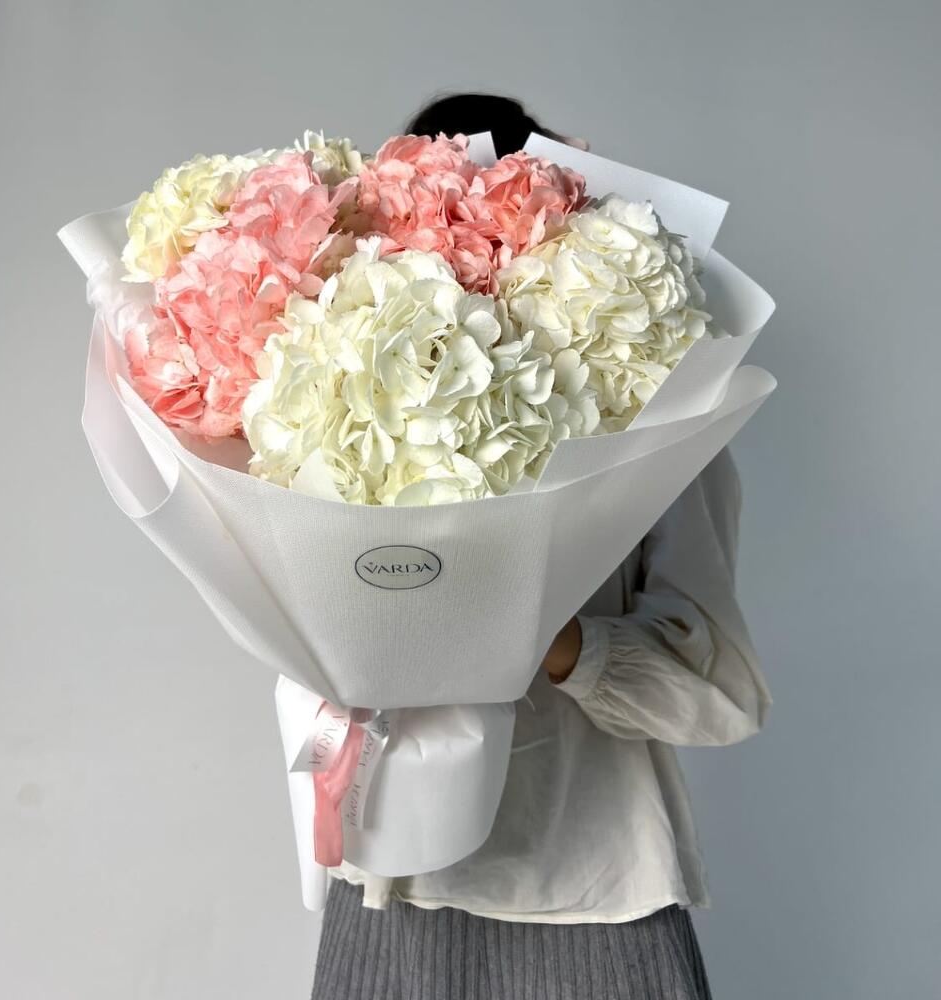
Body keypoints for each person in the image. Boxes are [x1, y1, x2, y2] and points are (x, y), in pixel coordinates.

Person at [310, 93, 772, 1000]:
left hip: (589, 903)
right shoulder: (342, 394)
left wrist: (550, 638)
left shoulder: (662, 414)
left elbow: (722, 697)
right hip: (392, 893)